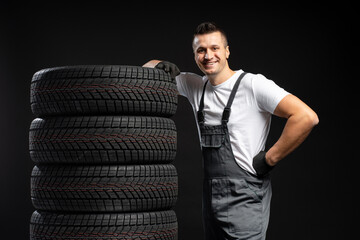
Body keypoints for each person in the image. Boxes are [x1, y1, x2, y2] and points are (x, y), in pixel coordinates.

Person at [143, 22, 319, 240]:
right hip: (211, 199)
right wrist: (163, 65)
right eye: (201, 50)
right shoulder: (196, 86)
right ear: (195, 55)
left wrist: (270, 159)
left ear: (227, 51)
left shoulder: (252, 85)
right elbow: (147, 69)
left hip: (246, 196)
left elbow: (306, 117)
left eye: (215, 48)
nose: (208, 55)